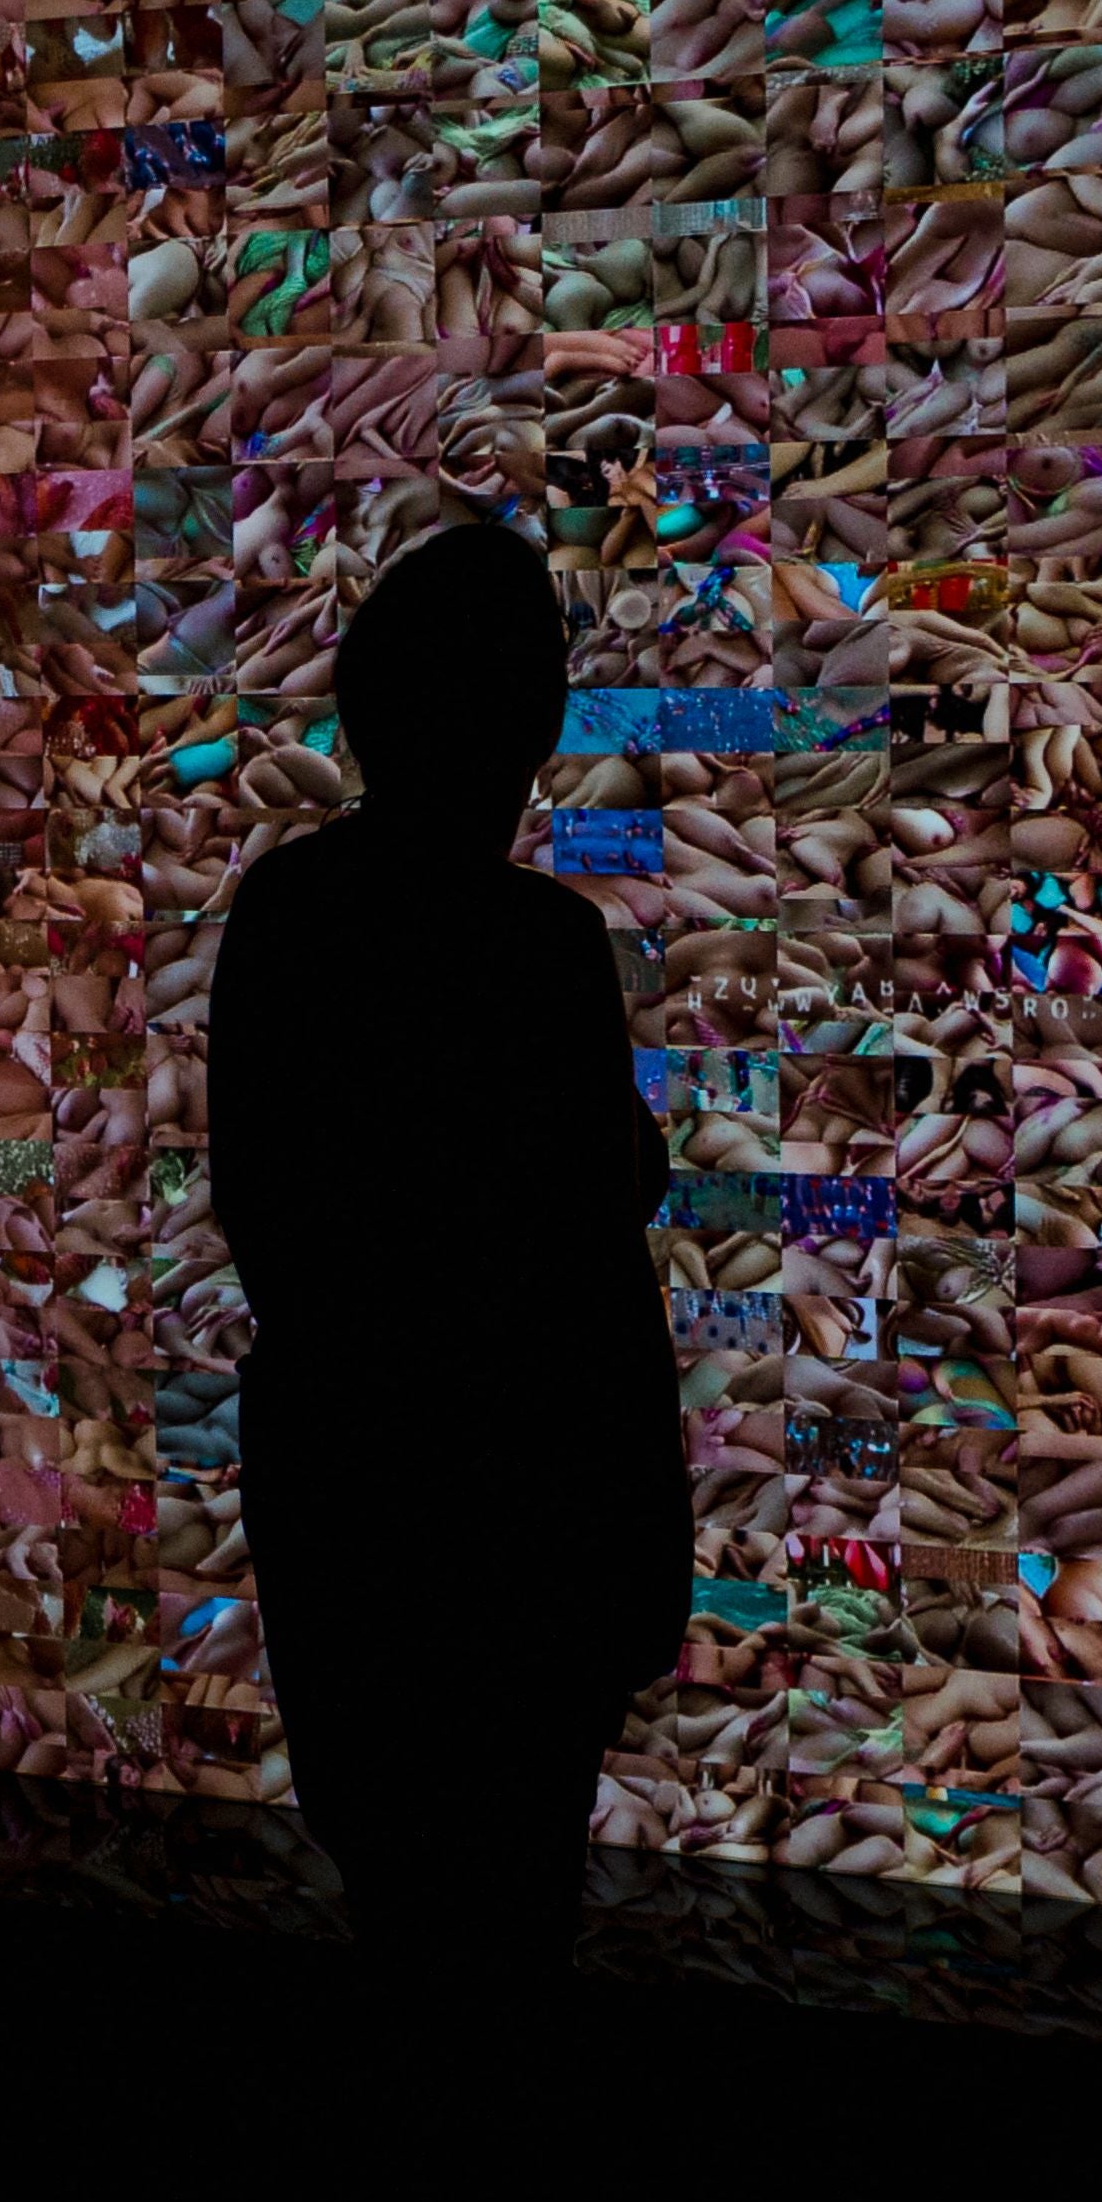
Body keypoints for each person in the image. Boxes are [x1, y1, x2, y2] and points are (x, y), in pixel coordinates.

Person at [201, 520, 688, 2022]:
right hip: (505, 1538)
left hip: (341, 1503)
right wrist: (639, 1568)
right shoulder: (540, 945)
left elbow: (266, 1211)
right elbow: (590, 1280)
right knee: (503, 1925)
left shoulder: (284, 914)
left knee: (397, 1907)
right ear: (519, 726)